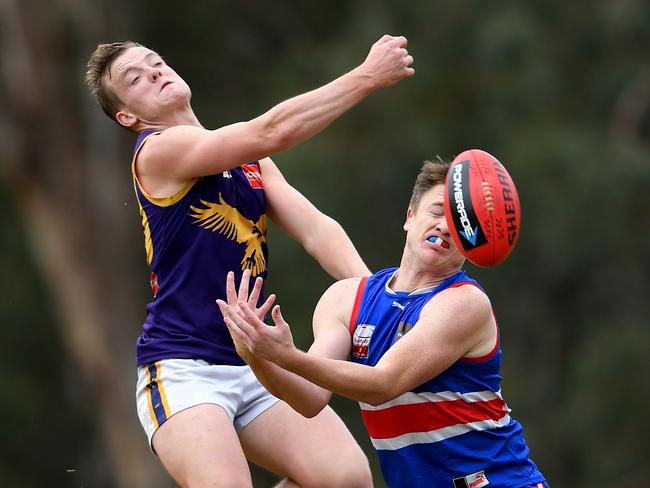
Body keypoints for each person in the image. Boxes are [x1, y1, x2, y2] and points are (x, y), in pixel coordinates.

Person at [85, 36, 414, 487]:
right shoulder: (156, 151)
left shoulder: (246, 159)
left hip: (254, 360)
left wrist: (383, 299)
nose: (155, 72)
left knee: (347, 479)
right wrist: (367, 76)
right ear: (127, 116)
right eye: (135, 78)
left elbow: (317, 230)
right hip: (184, 368)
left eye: (156, 62)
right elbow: (272, 131)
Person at [219, 158, 548, 488]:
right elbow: (309, 398)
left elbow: (382, 384)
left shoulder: (464, 303)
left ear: (471, 241)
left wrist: (287, 356)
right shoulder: (346, 298)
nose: (445, 227)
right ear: (410, 217)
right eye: (436, 212)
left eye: (458, 223)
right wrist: (255, 353)